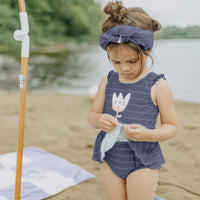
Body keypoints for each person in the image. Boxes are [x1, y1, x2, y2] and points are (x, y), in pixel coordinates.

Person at [87, 1, 178, 200]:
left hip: (142, 161)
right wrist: (99, 119)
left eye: (132, 61)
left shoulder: (158, 86)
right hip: (110, 158)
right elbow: (92, 116)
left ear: (147, 51)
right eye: (116, 62)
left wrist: (148, 134)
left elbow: (171, 126)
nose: (124, 68)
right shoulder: (107, 81)